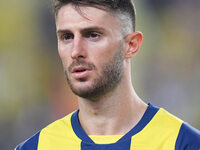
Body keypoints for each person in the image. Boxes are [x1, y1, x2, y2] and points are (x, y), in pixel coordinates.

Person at [15, 0, 200, 149]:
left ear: (131, 45)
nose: (76, 51)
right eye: (67, 37)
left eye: (93, 35)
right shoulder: (37, 146)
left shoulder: (183, 143)